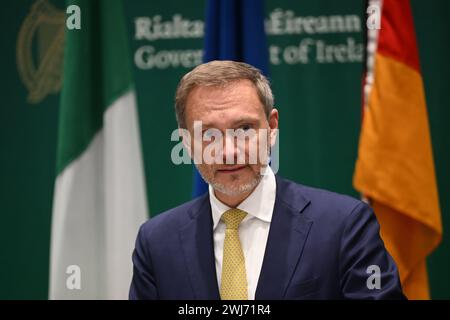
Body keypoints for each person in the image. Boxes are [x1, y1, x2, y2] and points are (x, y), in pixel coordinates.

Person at [129, 60, 405, 300]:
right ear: (186, 142)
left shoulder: (345, 225)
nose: (228, 151)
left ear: (272, 127)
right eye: (209, 134)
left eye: (244, 129)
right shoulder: (156, 242)